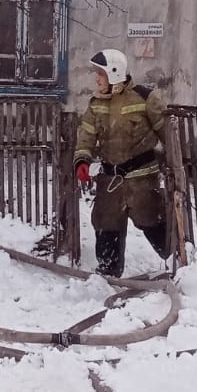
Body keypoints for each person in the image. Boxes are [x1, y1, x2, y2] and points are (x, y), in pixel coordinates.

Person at [74, 48, 172, 277]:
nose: (96, 78)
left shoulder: (146, 98)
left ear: (114, 73)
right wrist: (82, 160)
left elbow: (168, 135)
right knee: (106, 224)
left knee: (151, 221)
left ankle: (176, 258)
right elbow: (86, 136)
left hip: (142, 179)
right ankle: (109, 271)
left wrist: (176, 165)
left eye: (100, 73)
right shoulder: (95, 103)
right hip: (110, 180)